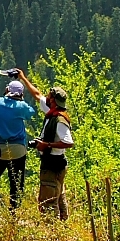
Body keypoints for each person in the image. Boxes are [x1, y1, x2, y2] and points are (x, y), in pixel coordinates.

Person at [15, 69, 74, 220]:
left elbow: (68, 142)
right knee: (59, 195)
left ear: (53, 100)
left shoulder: (59, 119)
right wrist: (23, 78)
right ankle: (63, 225)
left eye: (49, 96)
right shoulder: (52, 111)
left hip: (52, 164)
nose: (46, 97)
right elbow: (37, 95)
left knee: (47, 201)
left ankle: (52, 232)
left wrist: (46, 145)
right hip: (57, 163)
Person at [0, 78, 36, 209]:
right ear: (21, 94)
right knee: (16, 183)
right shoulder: (22, 107)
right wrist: (21, 100)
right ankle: (14, 213)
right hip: (17, 149)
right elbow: (31, 113)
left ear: (7, 90)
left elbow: (4, 100)